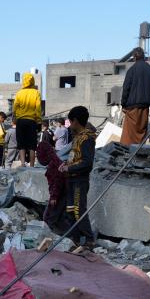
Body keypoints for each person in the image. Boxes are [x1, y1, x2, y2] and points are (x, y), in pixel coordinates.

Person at [59, 105, 96, 245]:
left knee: (79, 210)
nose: (69, 125)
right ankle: (75, 240)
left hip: (80, 180)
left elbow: (87, 163)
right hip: (72, 179)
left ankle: (89, 239)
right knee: (70, 211)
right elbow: (75, 157)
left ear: (75, 121)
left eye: (70, 121)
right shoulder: (77, 137)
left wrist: (69, 169)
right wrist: (65, 165)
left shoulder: (87, 139)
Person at [120, 47, 150, 146]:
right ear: (143, 56)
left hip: (132, 107)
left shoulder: (131, 70)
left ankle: (127, 153)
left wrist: (123, 104)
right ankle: (139, 152)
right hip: (145, 106)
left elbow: (126, 88)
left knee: (129, 134)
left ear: (134, 57)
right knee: (141, 131)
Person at [13, 72, 42, 166]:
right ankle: (32, 165)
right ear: (32, 81)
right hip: (32, 121)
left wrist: (16, 118)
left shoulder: (19, 93)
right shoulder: (36, 92)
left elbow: (15, 108)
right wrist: (39, 121)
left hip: (21, 121)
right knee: (32, 145)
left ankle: (22, 163)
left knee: (21, 144)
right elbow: (38, 108)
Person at [37, 140, 66, 235]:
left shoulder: (54, 164)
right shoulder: (54, 161)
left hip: (59, 195)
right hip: (59, 194)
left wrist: (54, 196)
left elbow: (58, 180)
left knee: (49, 218)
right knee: (51, 217)